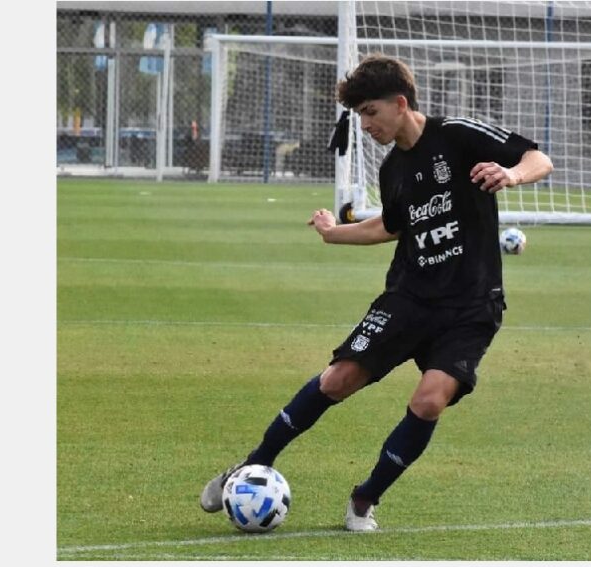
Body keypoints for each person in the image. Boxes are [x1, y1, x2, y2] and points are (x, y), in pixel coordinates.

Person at [200, 54, 553, 531]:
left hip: (471, 305)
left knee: (429, 401)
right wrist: (332, 233)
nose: (365, 125)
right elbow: (390, 226)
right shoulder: (394, 171)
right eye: (360, 115)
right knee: (337, 380)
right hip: (408, 298)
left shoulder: (458, 135)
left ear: (400, 103)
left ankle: (365, 498)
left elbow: (538, 158)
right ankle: (250, 465)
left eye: (370, 112)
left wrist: (511, 175)